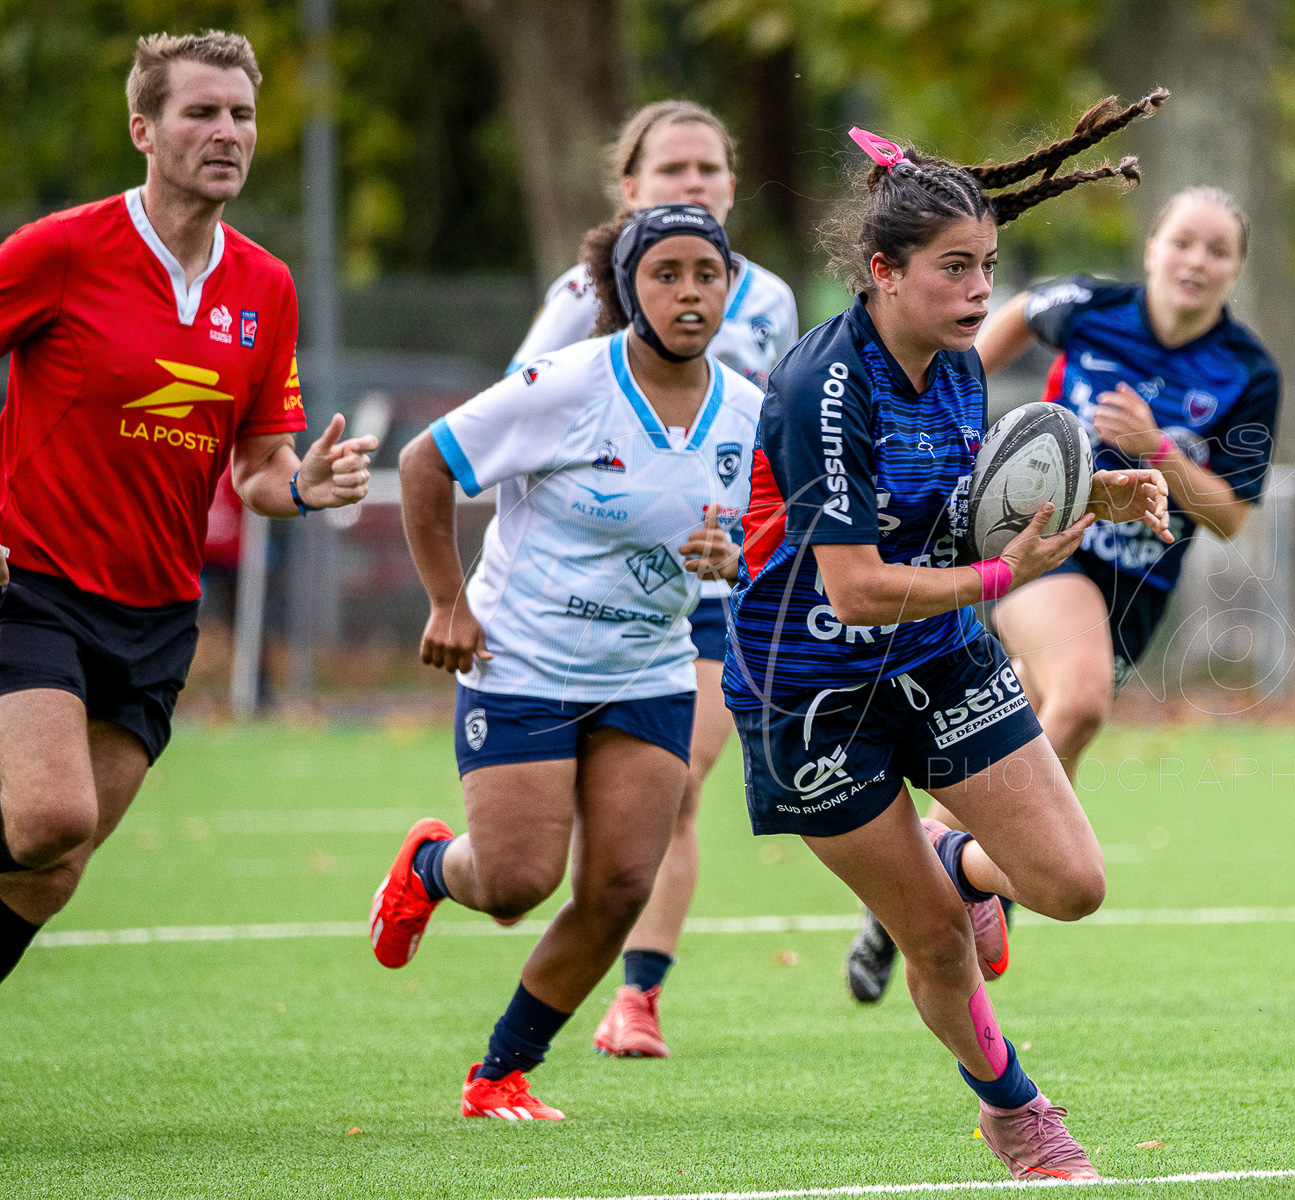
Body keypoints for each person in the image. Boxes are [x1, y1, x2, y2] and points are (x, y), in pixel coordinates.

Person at [725, 93, 1169, 1179]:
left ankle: (956, 859)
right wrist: (1003, 577)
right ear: (883, 273)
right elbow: (859, 585)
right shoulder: (822, 385)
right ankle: (1018, 1113)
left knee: (1070, 886)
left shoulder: (962, 364)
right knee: (930, 939)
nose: (981, 293)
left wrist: (1094, 495)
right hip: (812, 687)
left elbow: (961, 498)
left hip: (935, 653)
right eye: (954, 270)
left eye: (987, 266)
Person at [0, 30, 377, 984]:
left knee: (52, 872)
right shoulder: (65, 249)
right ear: (144, 128)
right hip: (34, 583)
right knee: (50, 817)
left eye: (241, 115)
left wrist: (303, 486)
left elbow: (258, 469)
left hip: (158, 615)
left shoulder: (266, 286)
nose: (227, 132)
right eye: (200, 112)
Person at [370, 203, 761, 1121]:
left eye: (706, 273)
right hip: (523, 661)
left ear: (729, 285)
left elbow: (776, 538)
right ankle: (432, 867)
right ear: (629, 289)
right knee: (513, 885)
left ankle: (501, 1070)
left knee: (623, 883)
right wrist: (447, 602)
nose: (688, 292)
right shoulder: (566, 384)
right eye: (665, 274)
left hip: (649, 668)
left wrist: (735, 558)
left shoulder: (752, 409)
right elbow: (427, 464)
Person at [844, 185, 1282, 1003]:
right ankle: (977, 878)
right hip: (1042, 548)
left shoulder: (1248, 371)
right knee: (1078, 705)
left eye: (1218, 250)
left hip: (1139, 582)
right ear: (1152, 247)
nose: (1197, 261)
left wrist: (1159, 451)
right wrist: (949, 427)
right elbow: (973, 351)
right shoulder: (1085, 304)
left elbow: (1228, 516)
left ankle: (939, 870)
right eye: (1184, 241)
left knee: (1040, 733)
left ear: (1235, 271)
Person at [508, 100, 799, 1058]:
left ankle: (639, 995)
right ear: (628, 189)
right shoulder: (579, 294)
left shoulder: (769, 298)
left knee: (681, 781)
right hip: (585, 603)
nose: (694, 184)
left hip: (721, 591)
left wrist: (758, 538)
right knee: (526, 866)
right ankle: (448, 870)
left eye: (710, 169)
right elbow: (515, 420)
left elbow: (777, 445)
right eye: (672, 170)